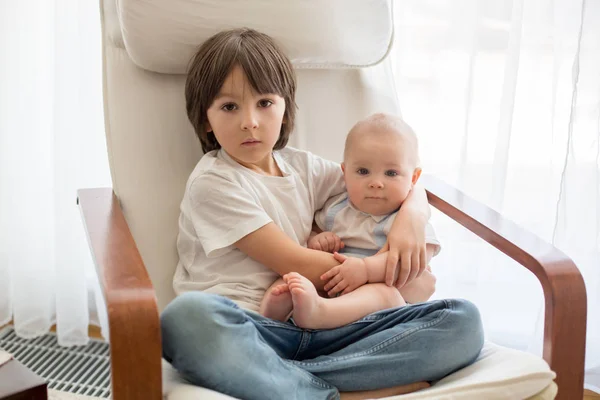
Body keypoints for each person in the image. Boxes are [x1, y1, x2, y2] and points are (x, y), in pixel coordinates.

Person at [160, 28, 484, 400]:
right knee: (185, 320)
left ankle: (296, 383)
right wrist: (387, 275)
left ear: (285, 108)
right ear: (205, 120)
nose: (250, 121)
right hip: (256, 330)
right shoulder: (212, 182)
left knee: (462, 322)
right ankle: (339, 394)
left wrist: (413, 213)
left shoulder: (304, 168)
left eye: (264, 102)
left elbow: (383, 181)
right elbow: (293, 261)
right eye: (230, 107)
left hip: (336, 326)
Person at [259, 113, 442, 330]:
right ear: (344, 173)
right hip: (335, 286)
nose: (376, 183)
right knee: (293, 281)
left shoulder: (406, 222)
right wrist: (318, 239)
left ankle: (319, 313)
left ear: (413, 178)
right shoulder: (336, 208)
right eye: (363, 171)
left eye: (391, 173)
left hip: (380, 309)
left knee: (383, 294)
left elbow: (412, 262)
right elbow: (313, 230)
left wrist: (366, 269)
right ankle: (270, 317)